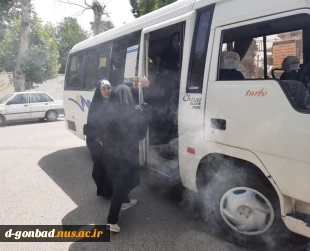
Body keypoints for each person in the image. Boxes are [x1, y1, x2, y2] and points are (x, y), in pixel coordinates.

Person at [94, 79, 149, 233]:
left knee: (122, 183)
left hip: (109, 155)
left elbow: (98, 128)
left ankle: (126, 201)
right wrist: (144, 91)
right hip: (124, 156)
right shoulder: (131, 112)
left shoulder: (106, 109)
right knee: (120, 186)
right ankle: (112, 221)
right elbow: (143, 114)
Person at [86, 80, 114, 199]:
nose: (107, 91)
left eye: (109, 88)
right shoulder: (96, 105)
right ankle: (104, 191)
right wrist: (99, 139)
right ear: (99, 90)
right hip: (98, 142)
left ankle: (113, 191)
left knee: (112, 167)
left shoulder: (113, 102)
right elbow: (92, 124)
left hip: (110, 140)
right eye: (104, 89)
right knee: (100, 168)